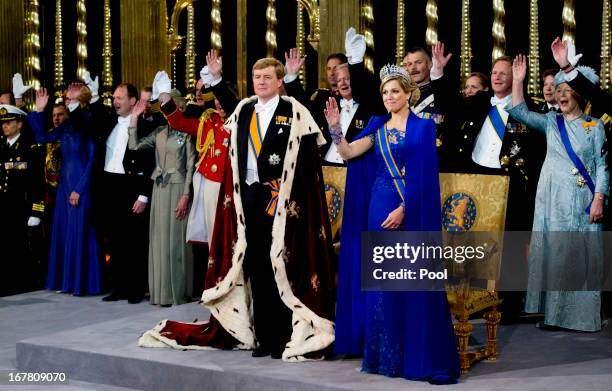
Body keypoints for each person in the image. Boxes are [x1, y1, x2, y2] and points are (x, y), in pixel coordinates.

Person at [139, 58, 335, 362]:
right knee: (256, 267)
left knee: (280, 268)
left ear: (279, 80)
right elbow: (230, 104)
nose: (261, 82)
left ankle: (285, 335)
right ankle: (264, 337)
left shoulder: (293, 111)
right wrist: (216, 78)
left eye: (267, 77)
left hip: (280, 200)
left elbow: (307, 157)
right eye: (256, 77)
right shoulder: (244, 109)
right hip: (249, 201)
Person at [330, 64, 459, 383]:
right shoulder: (376, 127)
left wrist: (404, 208)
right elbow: (347, 153)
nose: (389, 97)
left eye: (395, 92)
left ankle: (414, 353)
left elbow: (426, 177)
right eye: (385, 92)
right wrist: (335, 128)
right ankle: (385, 357)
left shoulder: (424, 127)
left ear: (408, 93)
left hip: (410, 208)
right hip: (379, 206)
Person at [507, 55, 608, 332]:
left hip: (583, 200)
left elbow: (603, 167)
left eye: (566, 90)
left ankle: (584, 318)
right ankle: (554, 316)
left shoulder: (594, 126)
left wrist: (599, 199)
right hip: (552, 201)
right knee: (557, 254)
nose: (560, 94)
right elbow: (519, 112)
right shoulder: (552, 122)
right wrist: (517, 80)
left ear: (579, 94)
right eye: (558, 90)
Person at [28, 88, 102, 296]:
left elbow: (91, 161)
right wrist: (39, 111)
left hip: (80, 185)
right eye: (67, 99)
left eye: (72, 99)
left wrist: (79, 189)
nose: (67, 102)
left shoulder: (89, 121)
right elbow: (42, 138)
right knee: (64, 232)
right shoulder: (67, 125)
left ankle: (83, 283)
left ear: (83, 101)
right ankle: (67, 281)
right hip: (64, 187)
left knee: (80, 232)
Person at [128, 90, 195, 306]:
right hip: (159, 189)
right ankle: (160, 292)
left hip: (178, 189)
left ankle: (178, 292)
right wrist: (134, 118)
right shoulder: (159, 131)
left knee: (176, 241)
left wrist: (186, 195)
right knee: (159, 240)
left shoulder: (187, 134)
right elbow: (134, 146)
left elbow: (191, 167)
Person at [0, 104, 45, 296]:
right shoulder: (2, 146)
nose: (5, 126)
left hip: (21, 205)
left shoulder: (30, 148)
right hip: (3, 204)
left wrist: (37, 211)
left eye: (9, 122)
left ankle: (22, 283)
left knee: (20, 248)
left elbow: (37, 182)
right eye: (3, 123)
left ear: (19, 124)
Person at [403, 44, 453, 168]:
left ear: (430, 64)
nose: (413, 68)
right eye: (409, 64)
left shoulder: (443, 93)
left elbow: (448, 103)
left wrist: (438, 72)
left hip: (433, 164)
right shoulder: (399, 96)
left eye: (418, 62)